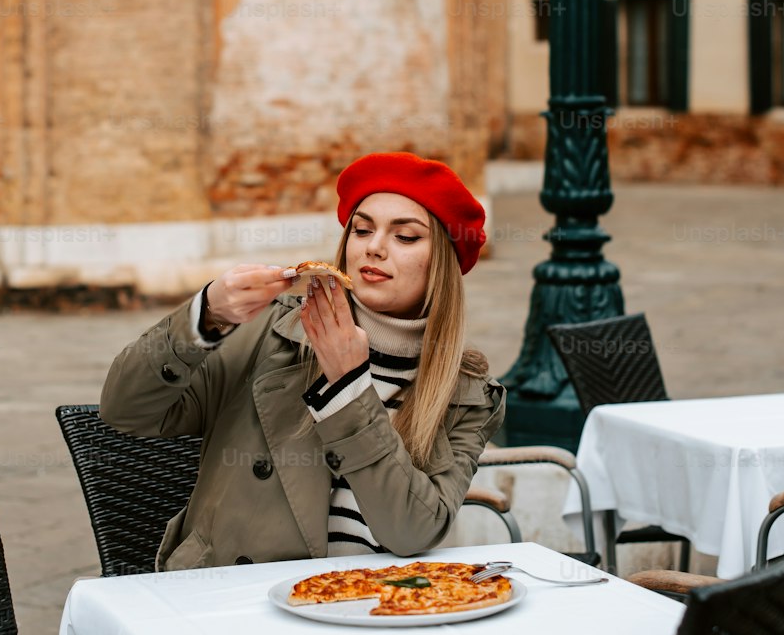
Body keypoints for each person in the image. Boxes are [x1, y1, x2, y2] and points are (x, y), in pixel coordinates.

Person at [100, 151, 504, 570]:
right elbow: (125, 410)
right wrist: (206, 314)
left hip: (378, 610)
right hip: (234, 605)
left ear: (441, 263)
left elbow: (412, 531)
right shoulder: (271, 333)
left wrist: (349, 387)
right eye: (362, 231)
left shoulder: (467, 394)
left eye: (405, 237)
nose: (375, 248)